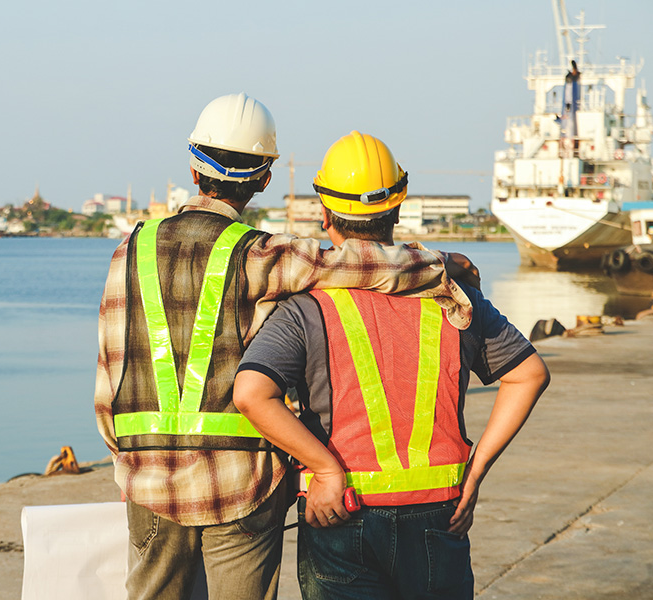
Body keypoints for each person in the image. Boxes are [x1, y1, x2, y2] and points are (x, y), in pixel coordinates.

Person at [94, 97, 478, 600]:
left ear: (192, 166)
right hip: (243, 481)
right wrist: (444, 265)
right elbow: (359, 266)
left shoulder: (130, 249)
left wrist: (126, 460)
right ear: (265, 178)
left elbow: (109, 376)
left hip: (149, 478)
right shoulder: (263, 253)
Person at [233, 131, 550, 600]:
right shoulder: (452, 295)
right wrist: (475, 470)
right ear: (398, 210)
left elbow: (251, 394)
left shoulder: (306, 308)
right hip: (439, 510)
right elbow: (529, 374)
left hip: (341, 513)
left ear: (324, 214)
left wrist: (325, 470)